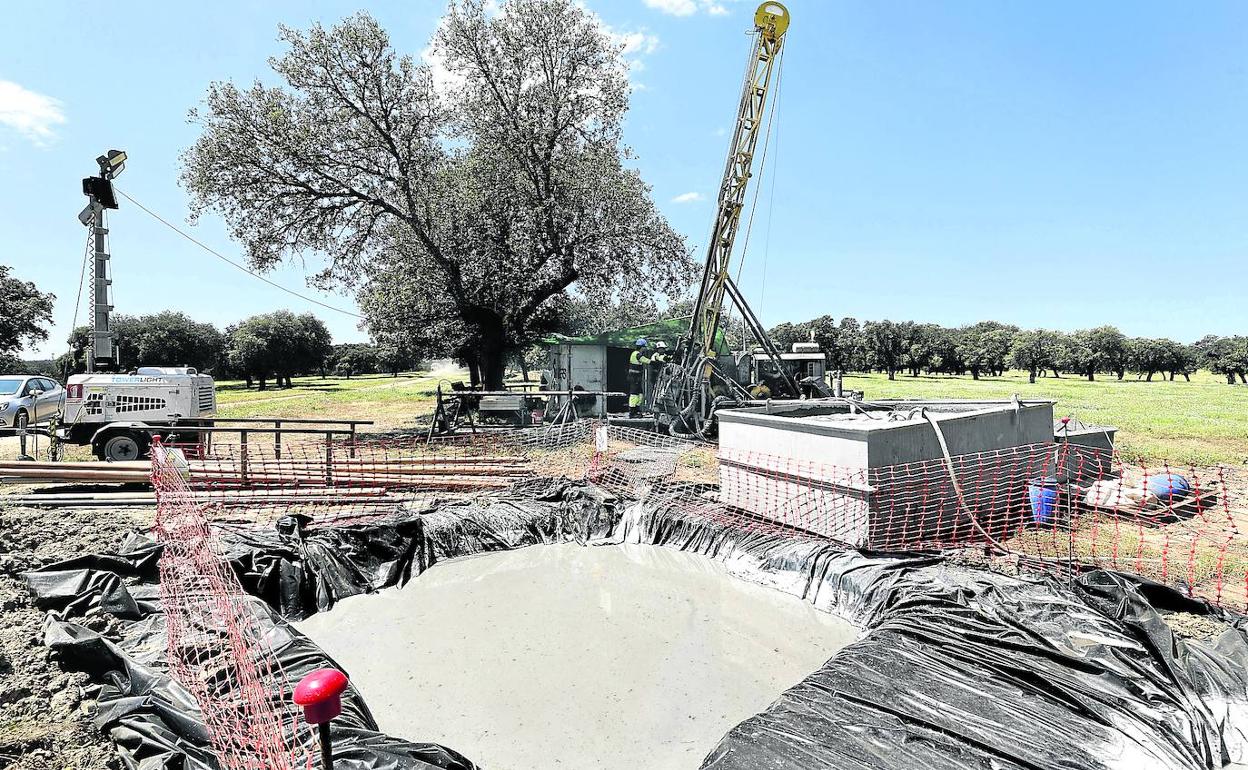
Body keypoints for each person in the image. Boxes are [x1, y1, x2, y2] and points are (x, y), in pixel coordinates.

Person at [628, 338, 650, 417]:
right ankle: (632, 412)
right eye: (644, 347)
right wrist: (654, 362)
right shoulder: (637, 354)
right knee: (634, 394)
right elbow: (645, 360)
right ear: (641, 347)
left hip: (637, 378)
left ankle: (637, 409)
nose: (645, 349)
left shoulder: (637, 354)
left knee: (640, 394)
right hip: (634, 378)